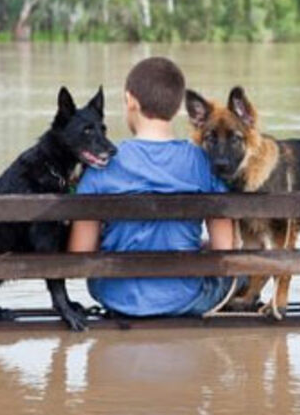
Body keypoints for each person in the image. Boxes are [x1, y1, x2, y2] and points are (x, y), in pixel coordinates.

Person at [67, 56, 236, 316]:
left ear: (130, 101)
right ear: (178, 108)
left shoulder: (102, 166)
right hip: (186, 299)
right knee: (241, 274)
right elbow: (225, 250)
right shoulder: (203, 162)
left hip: (116, 297)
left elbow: (80, 254)